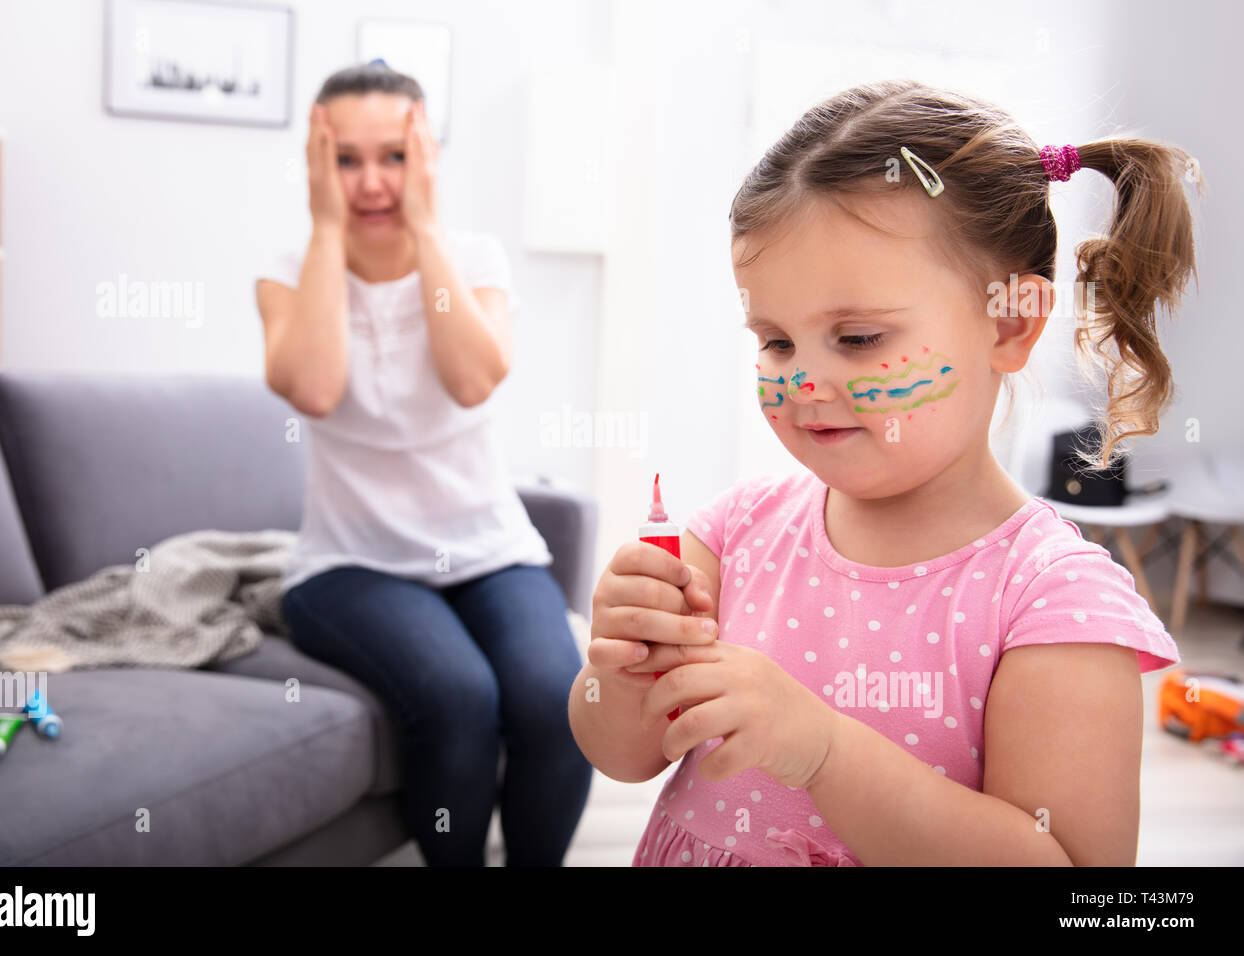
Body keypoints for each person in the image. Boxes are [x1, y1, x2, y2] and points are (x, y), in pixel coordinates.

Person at [570, 79, 1200, 866]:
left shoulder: (1051, 602)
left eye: (859, 338)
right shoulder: (732, 536)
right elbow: (623, 755)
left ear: (1009, 322)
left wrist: (826, 753)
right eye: (775, 342)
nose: (804, 382)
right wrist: (623, 663)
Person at [256, 61, 591, 866]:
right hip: (350, 566)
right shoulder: (291, 267)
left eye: (393, 156)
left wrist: (428, 232)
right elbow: (314, 385)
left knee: (558, 701)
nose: (371, 181)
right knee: (457, 697)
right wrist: (328, 233)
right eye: (346, 159)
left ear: (427, 158)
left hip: (488, 551)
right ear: (318, 165)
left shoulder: (472, 257)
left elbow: (474, 378)